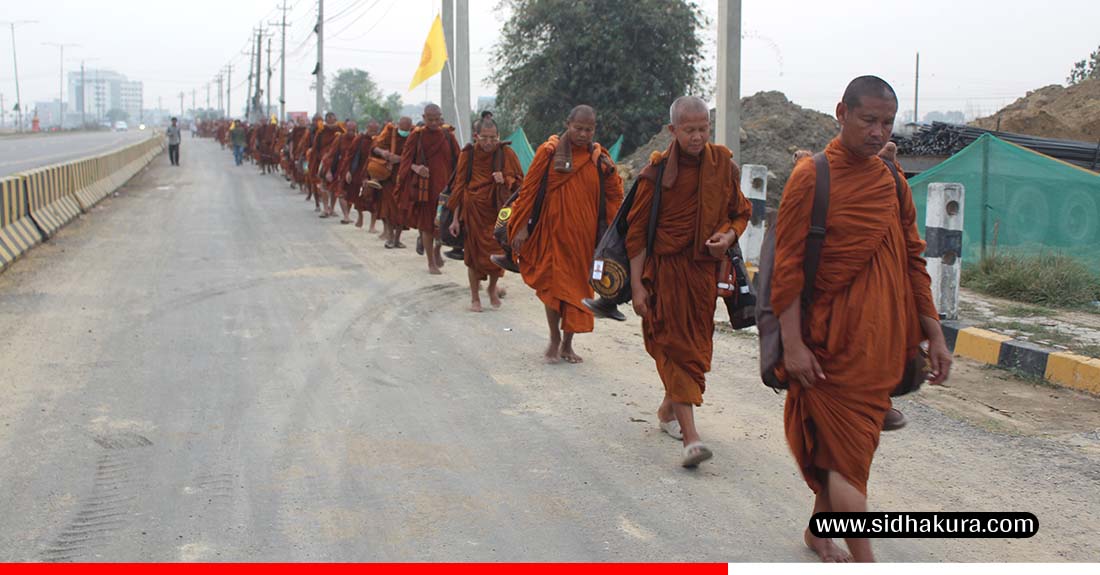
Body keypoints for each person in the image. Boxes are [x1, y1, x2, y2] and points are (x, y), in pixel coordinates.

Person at [771, 76, 952, 563]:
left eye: (887, 122)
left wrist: (933, 332)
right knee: (848, 463)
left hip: (880, 351)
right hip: (827, 349)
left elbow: (913, 261)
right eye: (868, 120)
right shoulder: (812, 176)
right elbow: (786, 269)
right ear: (841, 113)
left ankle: (817, 532)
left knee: (848, 455)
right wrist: (792, 346)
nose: (878, 132)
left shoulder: (892, 181)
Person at [626, 96, 752, 468]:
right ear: (673, 131)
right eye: (689, 130)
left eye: (703, 129)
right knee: (676, 348)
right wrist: (636, 285)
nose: (697, 137)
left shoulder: (723, 167)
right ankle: (692, 440)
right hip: (663, 274)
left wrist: (728, 237)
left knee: (693, 352)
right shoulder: (656, 175)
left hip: (701, 276)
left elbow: (739, 213)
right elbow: (635, 235)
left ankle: (668, 412)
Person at [507, 105, 623, 364]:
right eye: (578, 128)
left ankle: (568, 344)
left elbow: (615, 196)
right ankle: (554, 339)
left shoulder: (599, 159)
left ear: (594, 129)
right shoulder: (548, 154)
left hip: (584, 241)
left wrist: (614, 238)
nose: (582, 134)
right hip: (552, 234)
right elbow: (529, 191)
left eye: (588, 129)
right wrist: (523, 226)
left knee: (579, 290)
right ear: (567, 124)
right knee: (552, 288)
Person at [447, 118, 524, 311]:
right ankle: (475, 298)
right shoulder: (469, 154)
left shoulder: (506, 153)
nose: (489, 142)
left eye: (493, 138)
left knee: (498, 255)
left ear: (498, 136)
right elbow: (459, 187)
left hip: (497, 215)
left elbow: (521, 184)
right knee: (473, 257)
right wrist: (455, 219)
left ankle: (491, 288)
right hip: (473, 213)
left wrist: (505, 179)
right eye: (484, 138)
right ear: (476, 136)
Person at [396, 104, 460, 274]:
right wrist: (416, 168)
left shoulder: (448, 136)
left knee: (442, 224)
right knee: (426, 226)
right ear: (424, 118)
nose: (434, 123)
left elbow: (460, 161)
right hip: (426, 189)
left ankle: (437, 250)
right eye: (430, 119)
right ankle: (430, 262)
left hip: (445, 189)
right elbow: (405, 161)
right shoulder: (416, 136)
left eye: (437, 119)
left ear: (441, 117)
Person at [373, 117, 414, 249]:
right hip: (388, 177)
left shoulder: (414, 136)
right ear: (398, 126)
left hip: (404, 178)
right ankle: (390, 236)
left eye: (407, 129)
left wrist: (400, 159)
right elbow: (374, 148)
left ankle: (397, 239)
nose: (404, 132)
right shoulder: (390, 134)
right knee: (388, 209)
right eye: (402, 129)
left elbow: (417, 156)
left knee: (402, 209)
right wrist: (383, 153)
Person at [321, 119, 358, 224]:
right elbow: (330, 155)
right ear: (345, 129)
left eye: (353, 130)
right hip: (340, 169)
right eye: (349, 130)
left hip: (353, 170)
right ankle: (345, 216)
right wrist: (328, 171)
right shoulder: (340, 139)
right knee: (341, 192)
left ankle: (347, 214)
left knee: (351, 193)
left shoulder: (357, 139)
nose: (351, 132)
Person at [309, 112, 344, 217]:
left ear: (335, 119)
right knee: (323, 184)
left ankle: (332, 208)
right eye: (328, 119)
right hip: (324, 159)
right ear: (325, 119)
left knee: (335, 185)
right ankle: (325, 208)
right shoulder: (321, 131)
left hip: (337, 159)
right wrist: (316, 159)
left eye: (332, 119)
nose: (330, 121)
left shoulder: (340, 129)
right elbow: (316, 146)